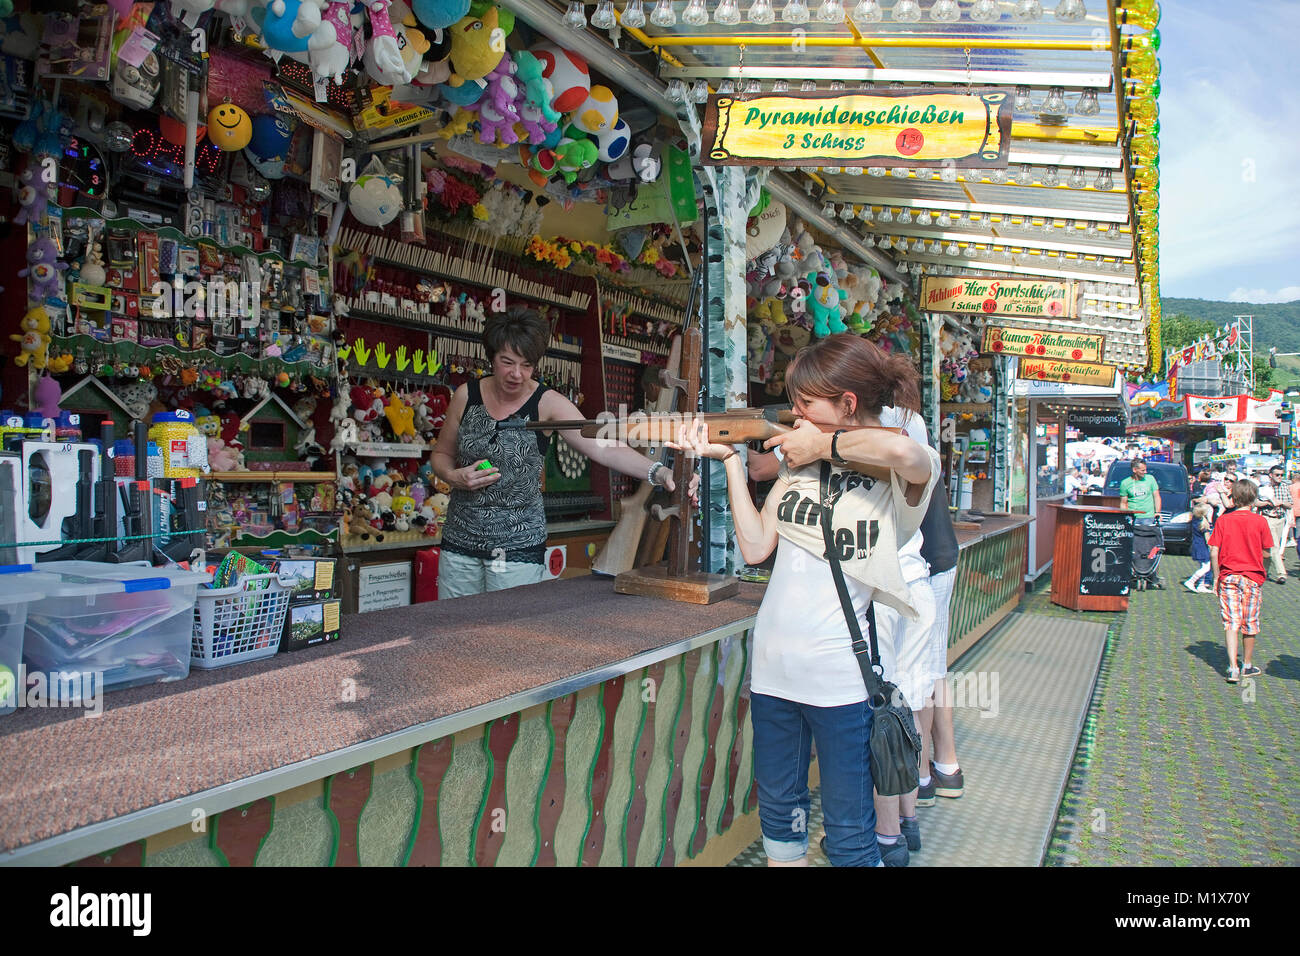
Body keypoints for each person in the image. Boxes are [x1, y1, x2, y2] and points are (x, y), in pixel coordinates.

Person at [670, 334, 939, 867]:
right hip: (773, 672)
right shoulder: (796, 469)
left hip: (839, 680)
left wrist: (823, 446)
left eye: (805, 404)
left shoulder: (893, 477)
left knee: (850, 838)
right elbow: (754, 547)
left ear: (848, 404)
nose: (795, 416)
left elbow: (910, 453)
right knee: (781, 828)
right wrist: (727, 460)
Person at [431, 306, 692, 597]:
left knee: (507, 631)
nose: (517, 374)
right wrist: (453, 476)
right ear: (491, 357)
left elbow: (602, 446)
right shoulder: (467, 396)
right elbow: (441, 454)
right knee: (454, 629)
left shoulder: (547, 402)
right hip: (459, 542)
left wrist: (658, 471)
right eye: (507, 362)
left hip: (515, 546)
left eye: (527, 365)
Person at [1209, 479, 1273, 683]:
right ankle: (1246, 664)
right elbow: (1267, 552)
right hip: (1252, 576)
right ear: (1253, 498)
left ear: (1233, 498)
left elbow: (1213, 551)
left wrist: (1216, 576)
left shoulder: (1224, 520)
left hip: (1229, 576)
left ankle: (1232, 667)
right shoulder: (1260, 521)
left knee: (1231, 622)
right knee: (1250, 621)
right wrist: (1263, 571)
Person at [1255, 464, 1292, 584]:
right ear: (1271, 475)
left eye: (1282, 475)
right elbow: (1255, 502)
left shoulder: (1285, 487)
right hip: (1268, 518)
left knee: (1269, 548)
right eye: (1277, 475)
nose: (1280, 477)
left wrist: (1280, 503)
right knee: (1274, 546)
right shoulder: (1263, 488)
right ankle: (1282, 574)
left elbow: (1290, 504)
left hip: (1280, 519)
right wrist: (1267, 503)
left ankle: (1264, 572)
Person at [1183, 502, 1213, 593]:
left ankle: (1201, 585)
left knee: (1202, 566)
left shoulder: (1195, 520)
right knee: (1206, 567)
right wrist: (1212, 548)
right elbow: (1208, 539)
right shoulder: (1204, 524)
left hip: (1196, 545)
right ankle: (1191, 581)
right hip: (1202, 547)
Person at [1120, 458, 1161, 523]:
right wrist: (1125, 516)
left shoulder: (1150, 479)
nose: (1145, 472)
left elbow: (1156, 497)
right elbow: (1123, 502)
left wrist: (1157, 512)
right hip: (1133, 517)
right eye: (1142, 470)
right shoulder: (1125, 483)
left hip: (1148, 517)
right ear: (1134, 470)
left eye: (1145, 470)